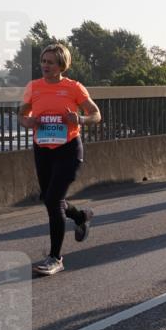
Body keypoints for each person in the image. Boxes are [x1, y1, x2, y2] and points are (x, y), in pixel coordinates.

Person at [19, 43, 102, 276]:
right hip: (43, 149)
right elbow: (22, 115)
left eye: (50, 62)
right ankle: (81, 216)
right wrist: (29, 122)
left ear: (61, 65)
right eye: (43, 61)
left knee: (54, 199)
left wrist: (80, 120)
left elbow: (96, 114)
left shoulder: (74, 87)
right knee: (50, 198)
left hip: (68, 149)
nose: (45, 65)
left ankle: (55, 258)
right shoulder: (33, 87)